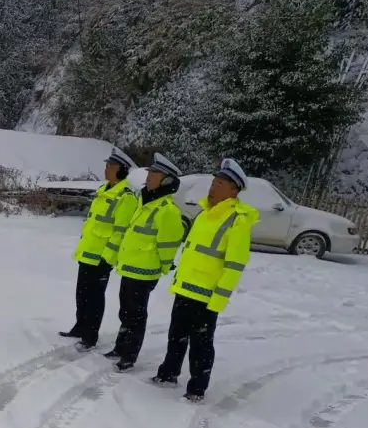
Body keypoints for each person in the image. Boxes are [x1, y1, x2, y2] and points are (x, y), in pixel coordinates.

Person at [153, 159, 257, 402]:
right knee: (176, 335)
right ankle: (168, 373)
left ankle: (197, 388)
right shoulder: (204, 213)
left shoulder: (237, 221)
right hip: (185, 287)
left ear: (234, 191)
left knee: (201, 344)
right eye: (213, 183)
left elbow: (234, 265)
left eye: (220, 184)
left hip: (207, 294)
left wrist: (219, 299)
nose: (213, 188)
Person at [101, 152, 185, 371]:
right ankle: (121, 347)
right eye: (150, 173)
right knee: (125, 311)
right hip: (129, 267)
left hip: (145, 271)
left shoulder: (167, 211)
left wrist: (162, 266)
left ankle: (129, 355)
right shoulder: (144, 202)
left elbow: (168, 245)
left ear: (166, 180)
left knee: (136, 315)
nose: (149, 177)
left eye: (155, 174)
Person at [60, 147, 138, 349]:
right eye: (107, 165)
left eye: (111, 166)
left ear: (121, 170)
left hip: (103, 255)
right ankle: (80, 325)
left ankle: (90, 335)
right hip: (88, 250)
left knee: (95, 296)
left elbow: (120, 230)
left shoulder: (126, 196)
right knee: (82, 293)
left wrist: (108, 256)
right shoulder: (103, 190)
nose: (106, 169)